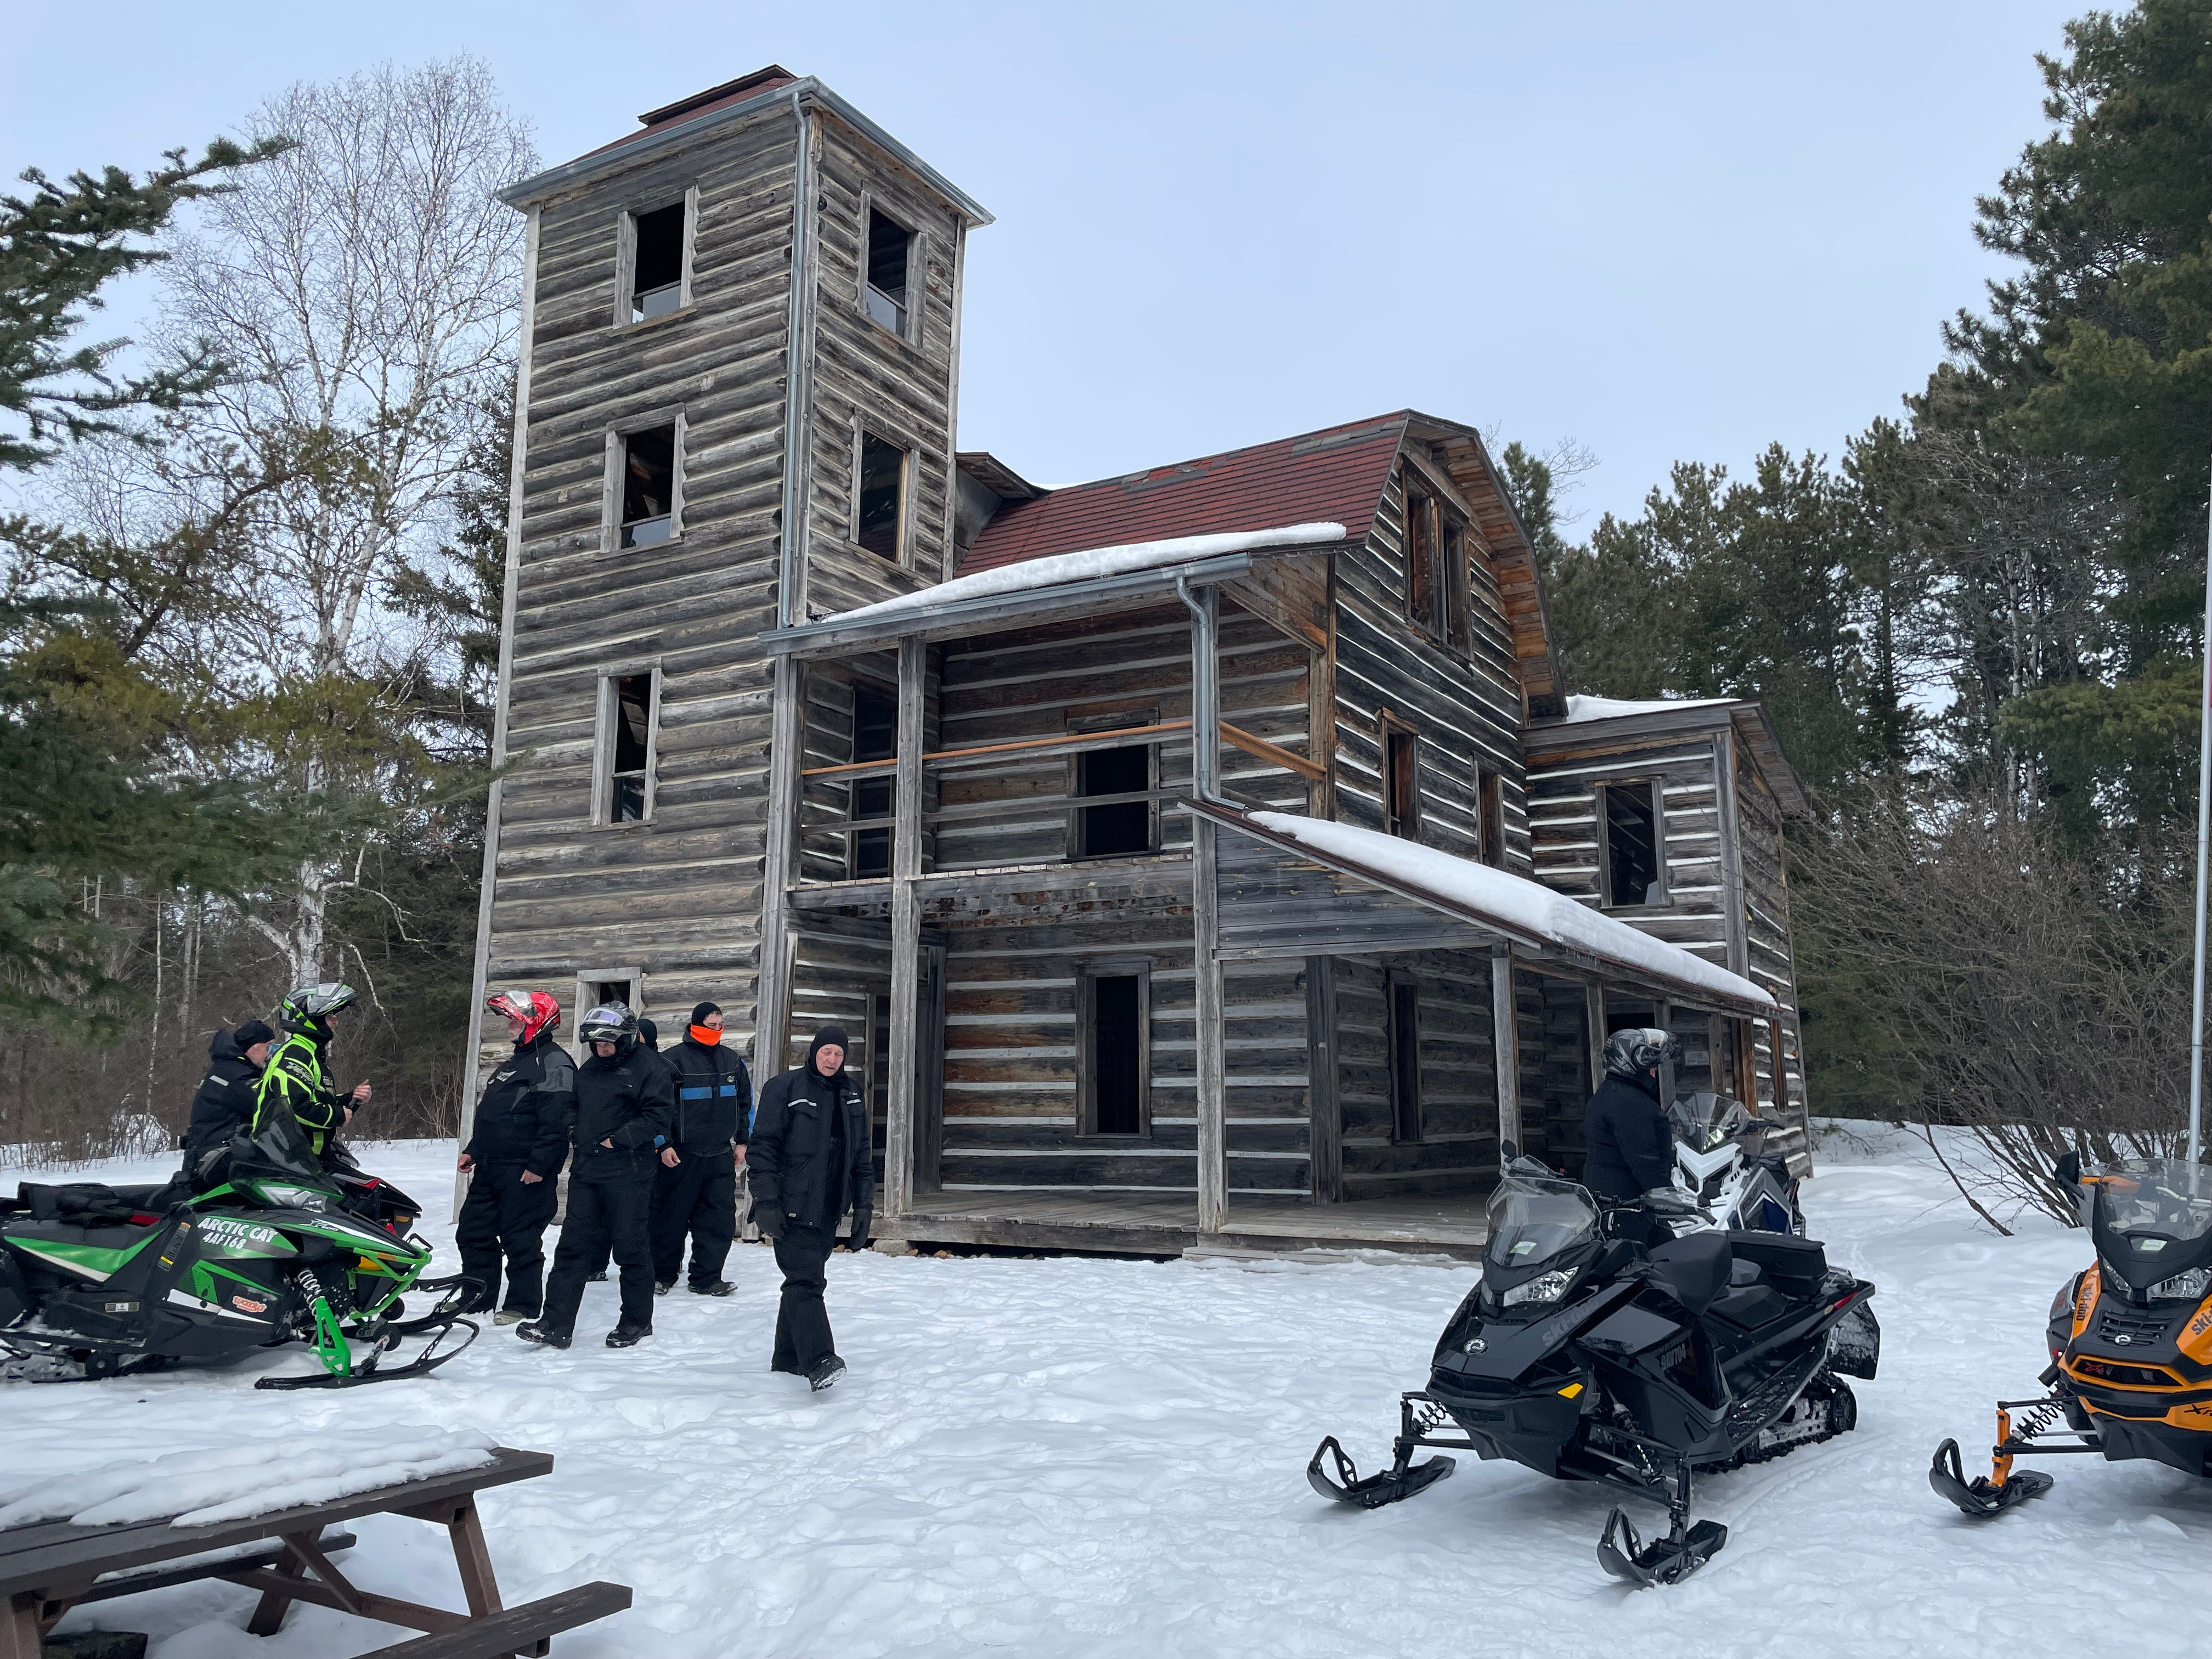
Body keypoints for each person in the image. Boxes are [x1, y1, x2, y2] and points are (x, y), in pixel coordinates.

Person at [521, 1003, 674, 1351]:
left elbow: (658, 1116)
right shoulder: (591, 1067)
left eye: (608, 1044)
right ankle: (554, 1323)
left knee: (630, 1247)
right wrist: (574, 1126)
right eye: (597, 1044)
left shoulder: (651, 1068)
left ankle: (636, 1320)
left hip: (629, 1173)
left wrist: (618, 1139)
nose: (602, 1050)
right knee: (572, 1249)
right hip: (587, 1171)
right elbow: (573, 1102)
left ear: (625, 1039)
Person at [748, 1025, 873, 1391]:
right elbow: (762, 1149)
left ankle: (788, 1358)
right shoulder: (784, 1089)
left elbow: (861, 1156)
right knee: (807, 1280)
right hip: (790, 1204)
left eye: (838, 1054)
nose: (832, 1060)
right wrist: (766, 1201)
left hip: (829, 1206)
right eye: (826, 1053)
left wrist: (864, 1208)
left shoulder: (851, 1093)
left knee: (802, 1281)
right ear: (814, 1053)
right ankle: (819, 1359)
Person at [455, 991, 575, 1325]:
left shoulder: (554, 1062)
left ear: (536, 1023)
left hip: (525, 1171)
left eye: (515, 1020)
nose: (508, 1026)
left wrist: (539, 1166)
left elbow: (557, 1122)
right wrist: (474, 1149)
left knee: (520, 1239)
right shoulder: (515, 1062)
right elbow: (496, 1114)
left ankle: (522, 1304)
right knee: (472, 1233)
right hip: (491, 1167)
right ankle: (476, 1298)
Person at [650, 1001, 753, 1297]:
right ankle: (662, 1274)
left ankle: (706, 1277)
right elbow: (656, 1109)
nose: (717, 1030)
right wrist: (663, 1145)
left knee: (718, 1220)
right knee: (670, 1218)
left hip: (720, 1154)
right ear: (696, 1025)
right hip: (680, 1155)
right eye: (711, 1025)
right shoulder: (672, 1062)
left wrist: (743, 1142)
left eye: (721, 1025)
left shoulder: (733, 1062)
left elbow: (746, 1105)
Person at [252, 982, 371, 1160]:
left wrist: (352, 1099)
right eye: (330, 1015)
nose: (335, 1022)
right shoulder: (296, 1054)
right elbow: (293, 1109)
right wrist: (337, 1115)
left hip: (304, 1160)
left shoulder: (310, 1054)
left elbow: (317, 1101)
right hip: (283, 1161)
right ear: (312, 1018)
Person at [1583, 1027, 1680, 1240]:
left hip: (1615, 1201)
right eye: (1652, 1066)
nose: (1655, 1072)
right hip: (1629, 1206)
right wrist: (1669, 1200)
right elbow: (1644, 1158)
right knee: (1661, 1262)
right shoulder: (1627, 1103)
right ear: (1630, 1063)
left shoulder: (1610, 1094)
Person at [180, 1019, 274, 1177]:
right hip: (216, 1163)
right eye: (268, 1047)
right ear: (253, 1047)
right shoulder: (234, 1076)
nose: (272, 1053)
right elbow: (266, 1104)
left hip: (226, 1159)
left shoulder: (235, 1070)